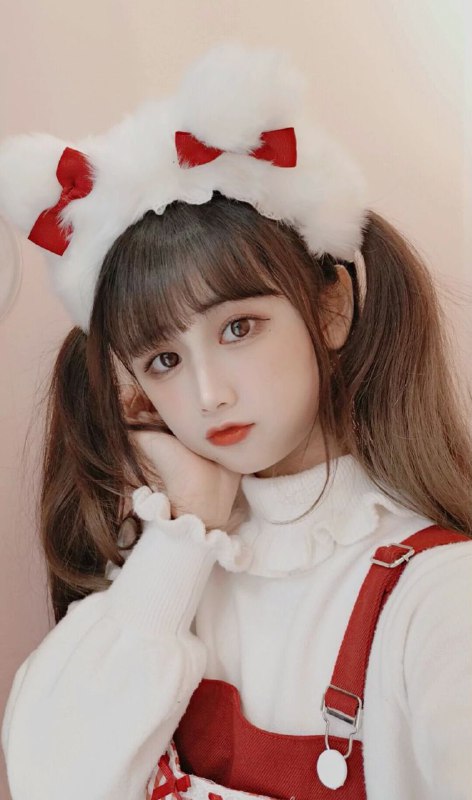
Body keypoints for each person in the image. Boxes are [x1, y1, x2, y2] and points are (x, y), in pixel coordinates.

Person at [0, 41, 471, 800]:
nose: (209, 393)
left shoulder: (439, 594)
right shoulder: (166, 578)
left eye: (238, 328)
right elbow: (50, 781)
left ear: (331, 308)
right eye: (164, 359)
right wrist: (187, 523)